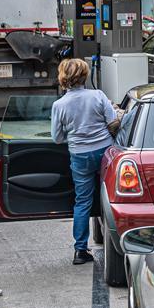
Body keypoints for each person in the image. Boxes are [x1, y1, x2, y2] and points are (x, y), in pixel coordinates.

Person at [50, 58, 121, 265]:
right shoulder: (98, 96)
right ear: (84, 75)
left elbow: (57, 138)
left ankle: (80, 250)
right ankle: (115, 241)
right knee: (111, 197)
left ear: (63, 77)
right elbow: (113, 123)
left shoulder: (59, 105)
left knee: (82, 201)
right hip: (105, 152)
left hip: (79, 155)